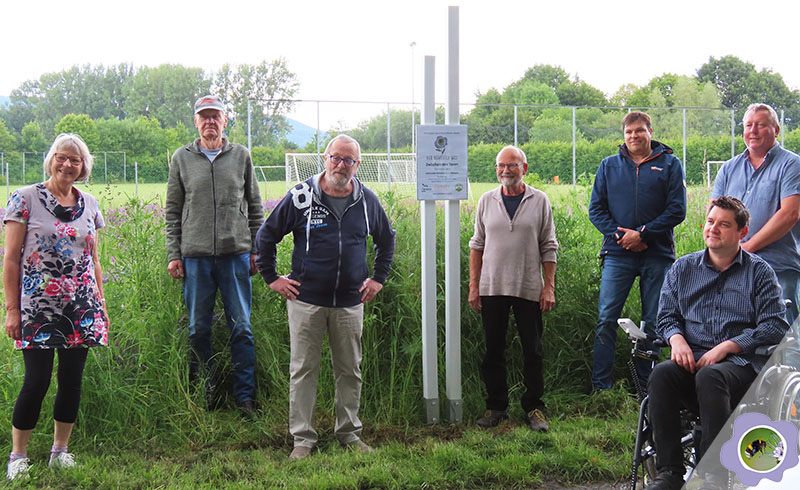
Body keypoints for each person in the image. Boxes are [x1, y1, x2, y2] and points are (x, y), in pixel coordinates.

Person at [255, 134, 395, 460]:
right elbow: (267, 235)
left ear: (357, 166)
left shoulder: (367, 200)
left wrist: (378, 279)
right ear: (325, 158)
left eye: (349, 160)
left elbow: (386, 241)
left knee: (350, 369)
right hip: (307, 301)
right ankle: (302, 439)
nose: (341, 165)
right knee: (303, 370)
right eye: (336, 158)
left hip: (349, 301)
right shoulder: (302, 196)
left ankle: (349, 433)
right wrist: (272, 278)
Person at [645, 197, 789, 490]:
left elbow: (775, 325)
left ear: (742, 232)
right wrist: (677, 340)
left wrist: (729, 346)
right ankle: (670, 472)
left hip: (740, 366)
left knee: (712, 375)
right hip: (691, 359)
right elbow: (666, 316)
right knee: (661, 374)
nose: (714, 229)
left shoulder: (759, 273)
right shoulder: (683, 269)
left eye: (724, 225)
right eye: (711, 222)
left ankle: (713, 475)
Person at [3, 134, 109, 480]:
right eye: (61, 157)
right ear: (51, 160)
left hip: (82, 307)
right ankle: (18, 456)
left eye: (74, 160)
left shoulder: (90, 204)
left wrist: (101, 304)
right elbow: (10, 260)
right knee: (36, 380)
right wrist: (12, 309)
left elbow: (93, 260)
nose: (66, 164)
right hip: (38, 310)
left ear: (83, 168)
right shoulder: (24, 199)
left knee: (71, 380)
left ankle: (60, 452)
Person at [165, 95, 264, 418]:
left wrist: (256, 250)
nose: (209, 122)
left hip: (236, 255)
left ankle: (245, 398)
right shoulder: (182, 158)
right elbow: (173, 211)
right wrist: (174, 254)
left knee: (242, 328)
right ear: (195, 122)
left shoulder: (241, 156)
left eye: (215, 116)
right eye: (203, 116)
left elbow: (255, 207)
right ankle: (205, 393)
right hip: (194, 258)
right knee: (198, 329)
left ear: (225, 121)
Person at [589, 111, 686, 393]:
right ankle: (601, 387)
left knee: (652, 322)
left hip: (657, 255)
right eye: (629, 132)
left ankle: (646, 387)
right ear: (624, 135)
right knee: (607, 318)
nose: (634, 136)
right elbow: (596, 210)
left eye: (640, 130)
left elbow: (677, 210)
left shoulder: (670, 164)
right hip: (618, 254)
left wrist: (643, 234)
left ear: (650, 132)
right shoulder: (609, 166)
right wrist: (623, 236)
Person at [468, 146, 558, 432]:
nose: (505, 171)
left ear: (524, 168)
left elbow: (549, 245)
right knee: (493, 350)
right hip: (492, 287)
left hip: (529, 286)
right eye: (500, 166)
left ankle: (534, 408)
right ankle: (496, 407)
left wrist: (548, 287)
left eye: (512, 165)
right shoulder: (486, 200)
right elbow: (477, 245)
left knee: (532, 350)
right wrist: (474, 286)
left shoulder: (539, 200)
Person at [711, 103, 800, 326]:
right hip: (734, 267)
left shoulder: (792, 164)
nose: (753, 130)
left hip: (778, 268)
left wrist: (746, 249)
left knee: (784, 339)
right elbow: (714, 214)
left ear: (776, 130)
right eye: (748, 125)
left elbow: (790, 214)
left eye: (760, 125)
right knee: (738, 334)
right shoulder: (729, 168)